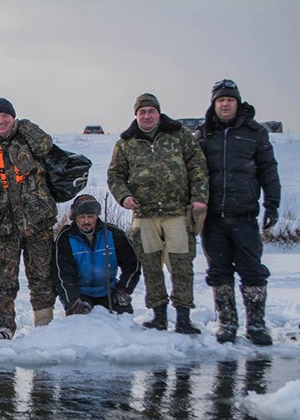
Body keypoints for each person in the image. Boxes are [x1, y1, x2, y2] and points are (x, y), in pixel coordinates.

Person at [107, 93, 209, 334]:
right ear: (136, 115)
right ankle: (158, 315)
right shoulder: (125, 142)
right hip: (145, 215)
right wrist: (124, 197)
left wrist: (199, 198)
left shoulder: (180, 135)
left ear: (158, 113)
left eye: (150, 111)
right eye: (142, 112)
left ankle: (183, 317)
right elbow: (115, 176)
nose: (146, 115)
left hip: (177, 213)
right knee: (151, 266)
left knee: (181, 265)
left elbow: (198, 168)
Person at [0, 98, 58, 340]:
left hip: (37, 220)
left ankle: (44, 325)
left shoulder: (28, 139)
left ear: (14, 118)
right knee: (2, 280)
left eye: (6, 116)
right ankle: (3, 327)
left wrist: (26, 126)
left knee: (42, 276)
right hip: (2, 226)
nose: (1, 120)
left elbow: (47, 146)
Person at [196, 79, 281, 345]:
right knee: (218, 270)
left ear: (237, 103)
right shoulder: (203, 134)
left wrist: (272, 204)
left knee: (252, 270)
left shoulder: (254, 133)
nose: (225, 104)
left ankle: (256, 324)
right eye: (220, 100)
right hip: (213, 218)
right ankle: (227, 322)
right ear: (214, 104)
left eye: (229, 100)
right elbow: (192, 173)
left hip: (244, 215)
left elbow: (269, 170)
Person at [53, 194, 141, 315]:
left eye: (90, 216)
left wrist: (124, 290)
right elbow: (62, 274)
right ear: (75, 218)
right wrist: (72, 300)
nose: (86, 221)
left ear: (97, 216)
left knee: (124, 320)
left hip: (109, 292)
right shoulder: (65, 238)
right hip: (80, 294)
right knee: (80, 322)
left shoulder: (114, 234)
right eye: (82, 217)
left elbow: (132, 264)